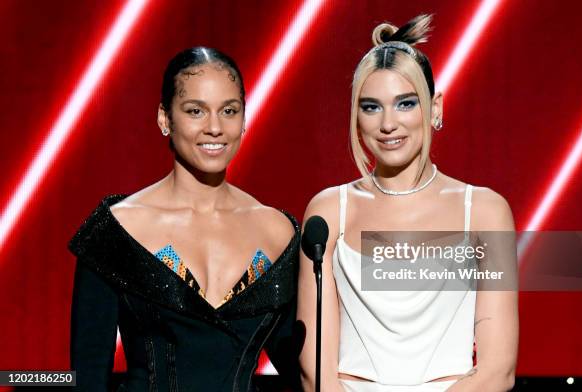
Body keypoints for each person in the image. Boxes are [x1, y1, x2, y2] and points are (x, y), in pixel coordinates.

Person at [297, 15, 518, 392]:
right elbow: (315, 369)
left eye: (405, 103)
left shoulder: (483, 210)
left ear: (435, 108)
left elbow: (498, 369)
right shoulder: (329, 211)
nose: (388, 123)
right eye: (370, 107)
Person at [69, 47, 301, 391]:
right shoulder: (117, 231)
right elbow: (87, 379)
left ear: (244, 119)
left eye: (229, 111)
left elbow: (306, 371)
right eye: (196, 111)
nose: (215, 128)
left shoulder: (278, 233)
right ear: (165, 118)